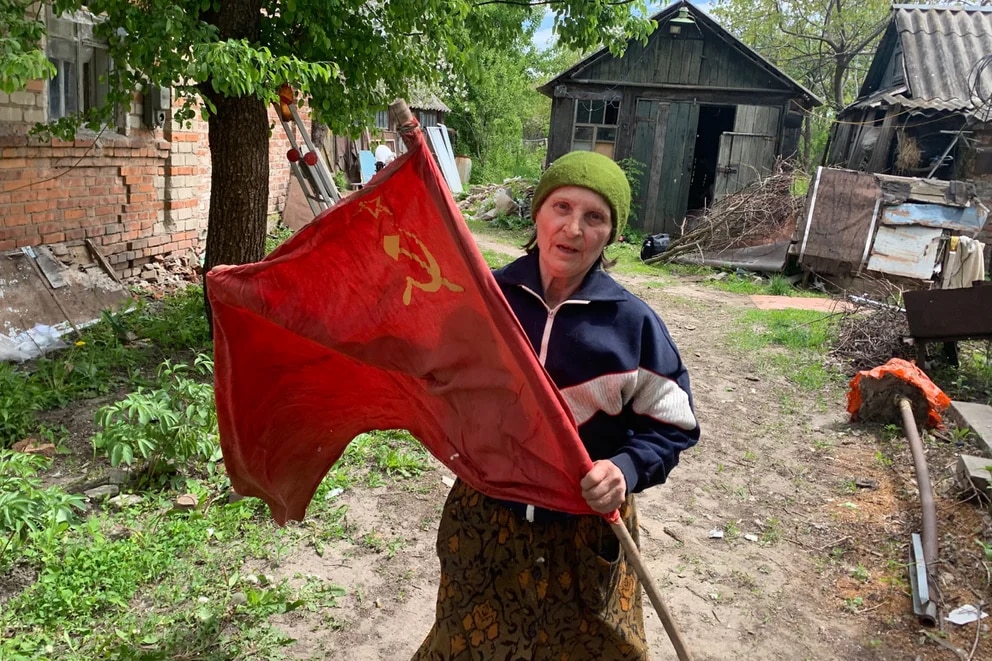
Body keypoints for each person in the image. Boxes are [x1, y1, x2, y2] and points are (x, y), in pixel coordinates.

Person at [413, 150, 700, 660]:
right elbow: (436, 377)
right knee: (467, 646)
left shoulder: (632, 327)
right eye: (561, 207)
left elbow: (672, 423)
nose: (573, 228)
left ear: (611, 234)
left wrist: (624, 468)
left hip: (585, 530)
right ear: (537, 214)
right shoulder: (487, 300)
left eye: (595, 217)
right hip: (487, 520)